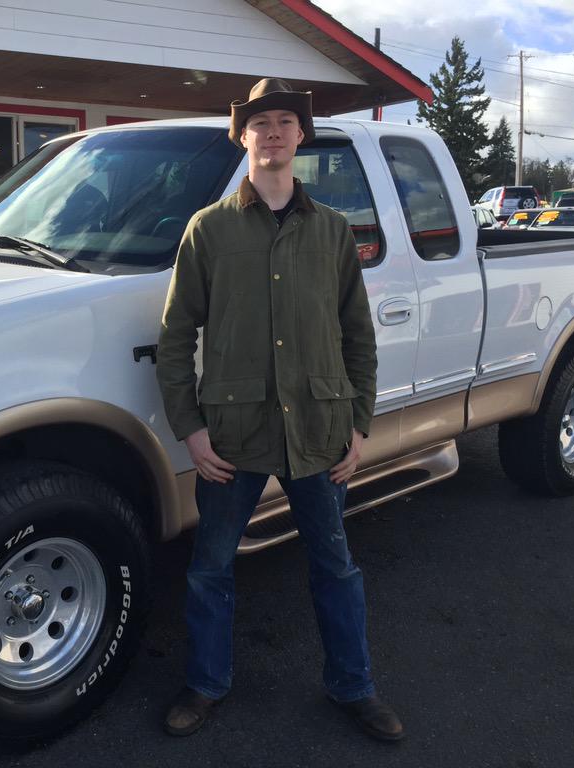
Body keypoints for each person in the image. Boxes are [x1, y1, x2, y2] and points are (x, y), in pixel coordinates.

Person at [156, 78, 403, 742]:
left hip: (320, 433)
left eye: (284, 121)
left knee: (336, 567)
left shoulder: (331, 232)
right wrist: (190, 429)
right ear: (243, 136)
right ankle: (206, 684)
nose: (272, 132)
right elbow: (176, 336)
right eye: (259, 122)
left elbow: (358, 335)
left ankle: (354, 687)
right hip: (231, 438)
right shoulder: (207, 230)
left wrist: (358, 423)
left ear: (301, 135)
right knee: (211, 569)